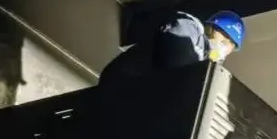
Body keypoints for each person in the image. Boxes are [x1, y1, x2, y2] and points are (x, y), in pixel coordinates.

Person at [99, 10, 245, 85]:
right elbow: (175, 61)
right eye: (224, 35)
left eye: (230, 44)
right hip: (123, 81)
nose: (224, 45)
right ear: (210, 28)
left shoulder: (206, 63)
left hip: (137, 96)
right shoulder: (191, 28)